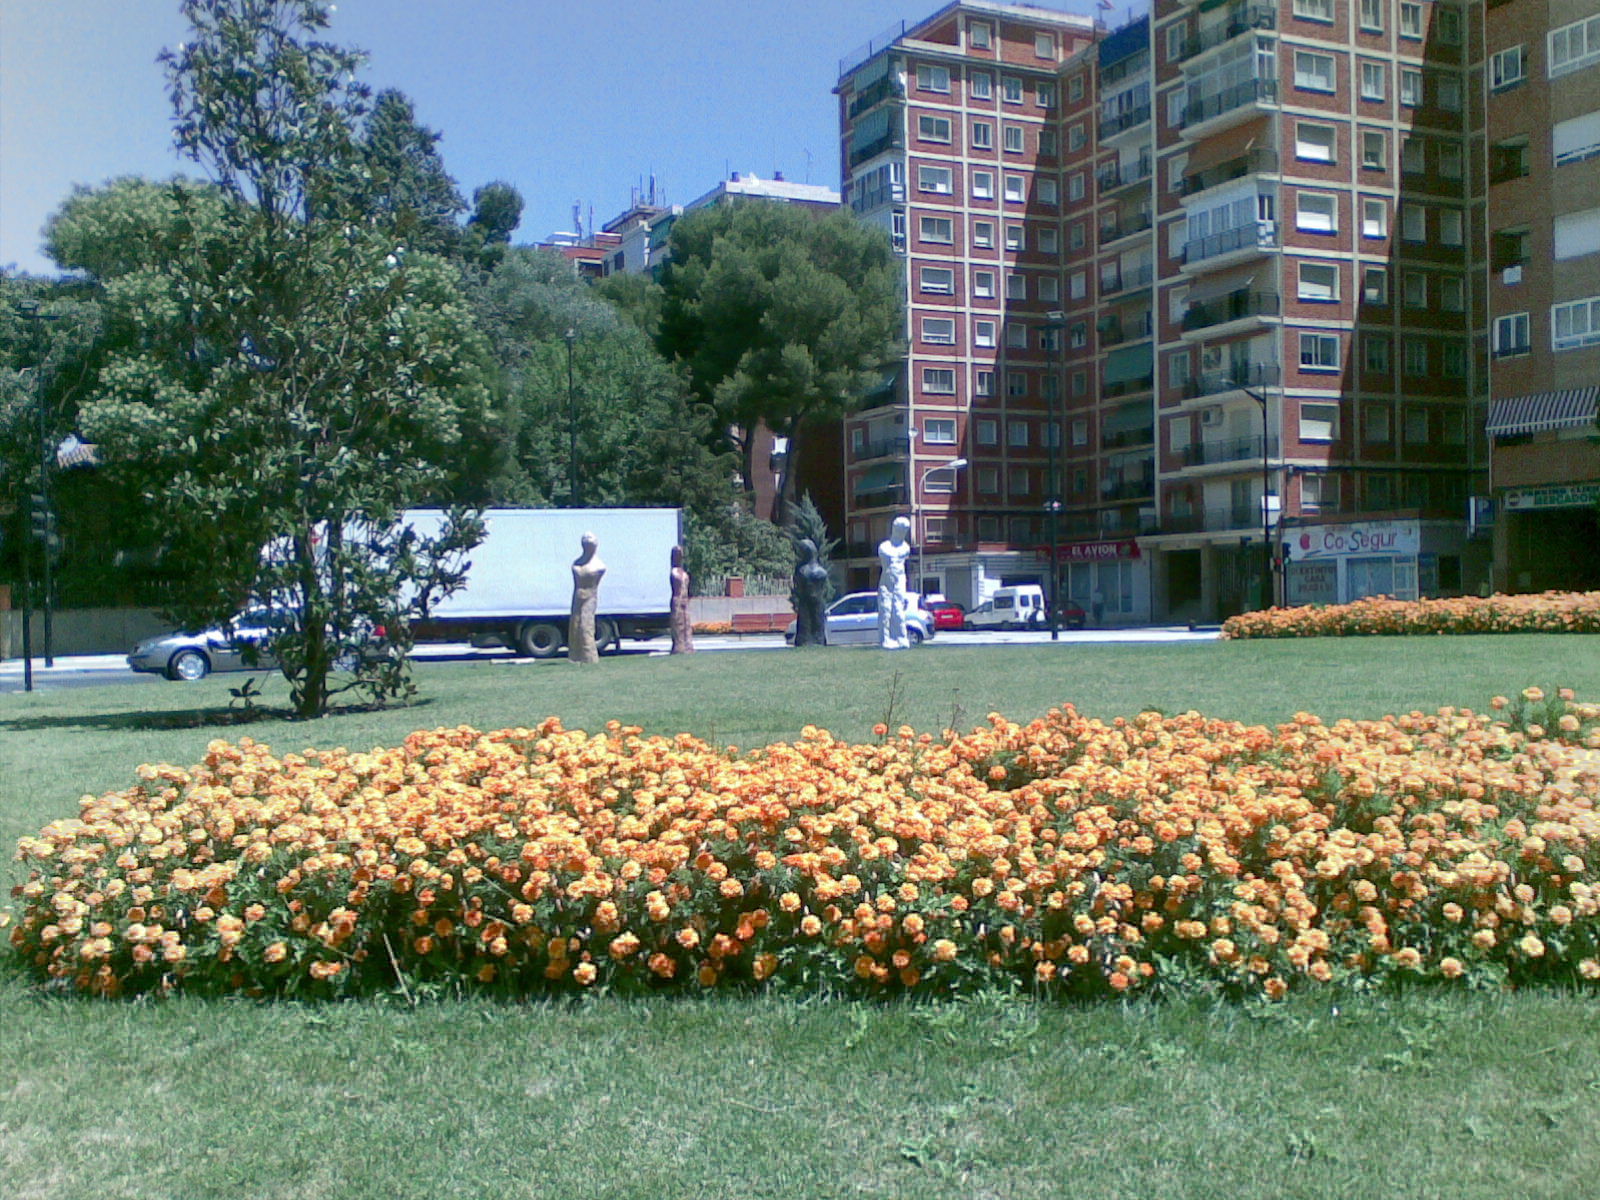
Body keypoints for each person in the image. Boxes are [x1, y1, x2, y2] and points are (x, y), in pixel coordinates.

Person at [877, 516, 913, 650]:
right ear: (895, 529)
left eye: (905, 530)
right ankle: (885, 639)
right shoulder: (884, 547)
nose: (903, 533)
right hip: (886, 581)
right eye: (901, 530)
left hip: (900, 580)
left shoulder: (905, 548)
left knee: (898, 610)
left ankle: (901, 638)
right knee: (885, 610)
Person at [569, 532, 605, 664]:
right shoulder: (577, 563)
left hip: (590, 596)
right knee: (575, 626)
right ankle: (575, 657)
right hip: (577, 596)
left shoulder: (599, 566)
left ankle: (589, 658)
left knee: (586, 626)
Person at [792, 538, 830, 647]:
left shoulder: (803, 570)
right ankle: (810, 641)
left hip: (812, 602)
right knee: (808, 625)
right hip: (809, 602)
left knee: (816, 624)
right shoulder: (808, 570)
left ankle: (816, 641)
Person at [668, 545, 694, 654]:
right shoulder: (673, 572)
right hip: (677, 600)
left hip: (685, 600)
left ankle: (688, 646)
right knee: (678, 625)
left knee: (687, 624)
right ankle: (679, 647)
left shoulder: (683, 572)